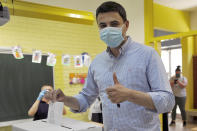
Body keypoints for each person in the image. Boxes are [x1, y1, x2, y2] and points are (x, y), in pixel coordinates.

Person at [47, 1, 175, 130]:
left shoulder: (148, 55)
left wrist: (130, 95)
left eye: (114, 24)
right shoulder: (97, 62)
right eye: (103, 25)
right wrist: (65, 99)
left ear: (126, 25)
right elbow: (85, 99)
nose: (108, 29)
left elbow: (168, 101)